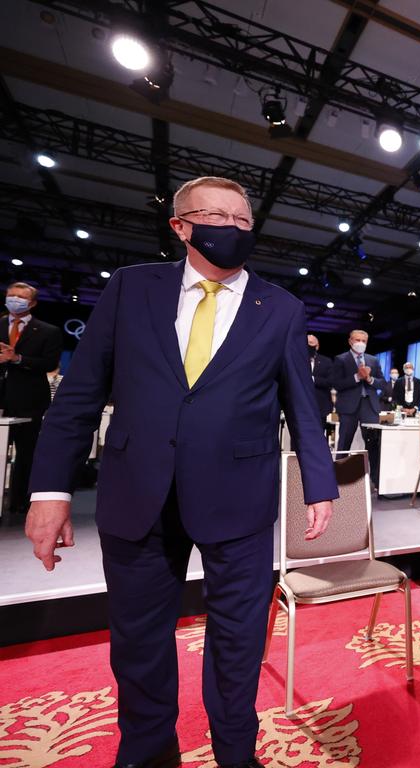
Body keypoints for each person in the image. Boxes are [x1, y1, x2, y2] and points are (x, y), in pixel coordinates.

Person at [24, 175, 338, 768]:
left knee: (238, 644)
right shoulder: (129, 289)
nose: (233, 228)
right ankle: (147, 755)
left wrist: (318, 485)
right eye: (217, 216)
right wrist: (49, 490)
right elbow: (79, 396)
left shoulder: (283, 308)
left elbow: (302, 405)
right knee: (139, 645)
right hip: (136, 493)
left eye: (243, 221)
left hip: (239, 502)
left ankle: (235, 756)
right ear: (180, 225)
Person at [0, 282, 62, 514]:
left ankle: (19, 503)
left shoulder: (48, 331)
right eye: (11, 295)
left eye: (21, 297)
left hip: (28, 400)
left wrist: (17, 359)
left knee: (26, 454)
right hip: (1, 396)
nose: (15, 299)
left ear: (32, 303)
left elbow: (49, 363)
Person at [331, 329, 383, 451]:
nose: (361, 343)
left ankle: (374, 471)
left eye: (364, 341)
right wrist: (357, 377)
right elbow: (336, 384)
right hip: (349, 408)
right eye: (357, 340)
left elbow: (383, 384)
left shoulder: (373, 360)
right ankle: (340, 470)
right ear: (350, 341)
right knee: (344, 444)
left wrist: (369, 379)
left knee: (374, 446)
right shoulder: (340, 359)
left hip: (369, 407)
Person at [307, 334, 333, 421]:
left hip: (320, 406)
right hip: (300, 404)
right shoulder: (296, 360)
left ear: (317, 346)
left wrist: (313, 379)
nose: (307, 345)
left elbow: (330, 381)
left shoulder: (326, 362)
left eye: (310, 343)